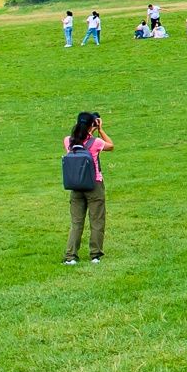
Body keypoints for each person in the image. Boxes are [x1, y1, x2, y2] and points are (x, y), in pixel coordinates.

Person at [63, 111, 112, 264]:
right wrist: (100, 130)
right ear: (92, 125)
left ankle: (71, 256)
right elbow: (111, 146)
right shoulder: (96, 142)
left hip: (76, 185)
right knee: (97, 220)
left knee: (76, 222)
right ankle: (95, 255)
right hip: (94, 184)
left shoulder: (68, 141)